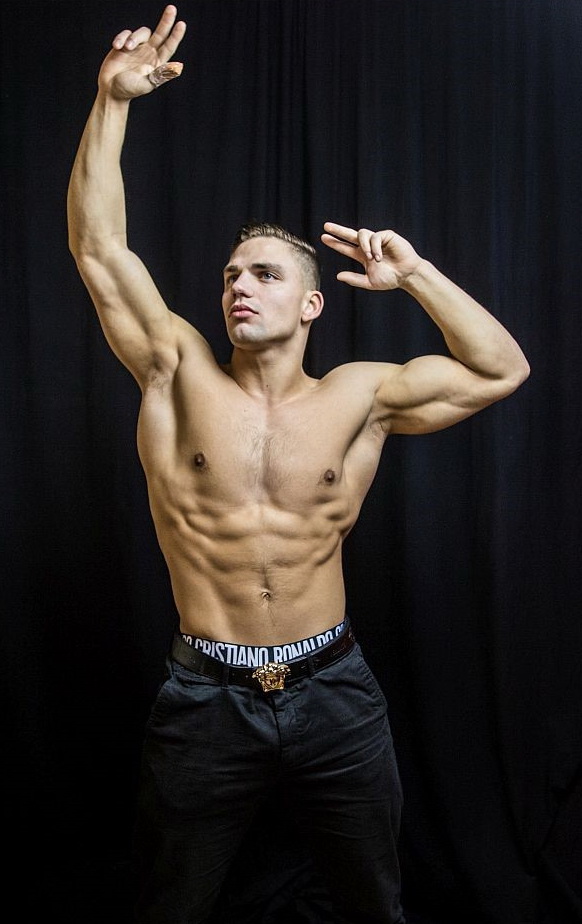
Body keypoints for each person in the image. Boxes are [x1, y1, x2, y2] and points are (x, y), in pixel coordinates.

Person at [67, 6, 529, 923]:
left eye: (265, 274)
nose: (239, 286)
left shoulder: (360, 397)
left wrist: (415, 274)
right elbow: (99, 248)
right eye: (231, 276)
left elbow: (500, 369)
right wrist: (110, 104)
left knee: (372, 906)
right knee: (170, 907)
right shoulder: (176, 368)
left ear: (313, 304)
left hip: (334, 691)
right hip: (205, 694)